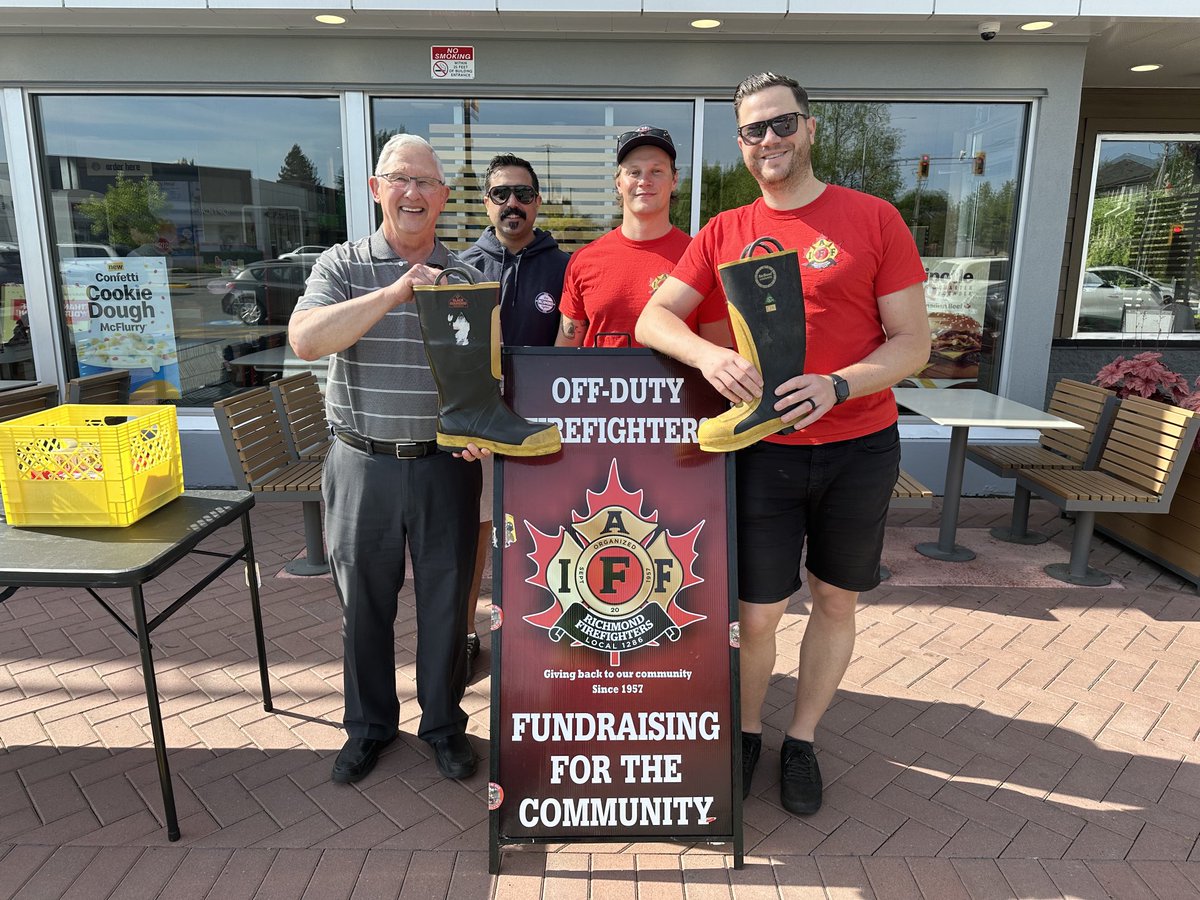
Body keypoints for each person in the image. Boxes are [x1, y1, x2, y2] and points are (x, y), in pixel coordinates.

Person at [635, 73, 930, 816]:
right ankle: (746, 732)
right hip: (762, 451)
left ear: (810, 127)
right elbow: (653, 319)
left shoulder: (874, 219)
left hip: (859, 445)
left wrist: (840, 383)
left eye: (781, 124)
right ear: (740, 143)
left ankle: (801, 739)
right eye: (752, 130)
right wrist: (708, 356)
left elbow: (913, 343)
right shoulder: (725, 229)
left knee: (834, 598)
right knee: (757, 612)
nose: (768, 140)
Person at [289, 133, 483, 785]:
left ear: (444, 197)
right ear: (376, 189)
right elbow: (306, 340)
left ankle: (444, 725)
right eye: (400, 178)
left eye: (426, 181)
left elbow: (488, 370)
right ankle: (369, 726)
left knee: (446, 603)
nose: (412, 192)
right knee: (364, 607)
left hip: (444, 465)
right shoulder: (341, 265)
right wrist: (395, 293)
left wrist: (483, 421)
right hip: (361, 462)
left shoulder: (466, 275)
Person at [458, 154, 570, 668]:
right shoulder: (462, 269)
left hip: (541, 428)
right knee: (476, 534)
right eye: (501, 194)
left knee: (544, 532)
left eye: (523, 194)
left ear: (537, 202)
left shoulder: (565, 267)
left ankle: (541, 636)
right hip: (480, 427)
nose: (512, 204)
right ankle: (466, 632)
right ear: (486, 203)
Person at [555, 125, 728, 349]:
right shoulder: (583, 260)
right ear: (618, 183)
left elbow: (717, 352)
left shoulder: (700, 259)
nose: (644, 181)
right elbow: (565, 354)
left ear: (674, 180)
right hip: (601, 374)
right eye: (634, 172)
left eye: (656, 171)